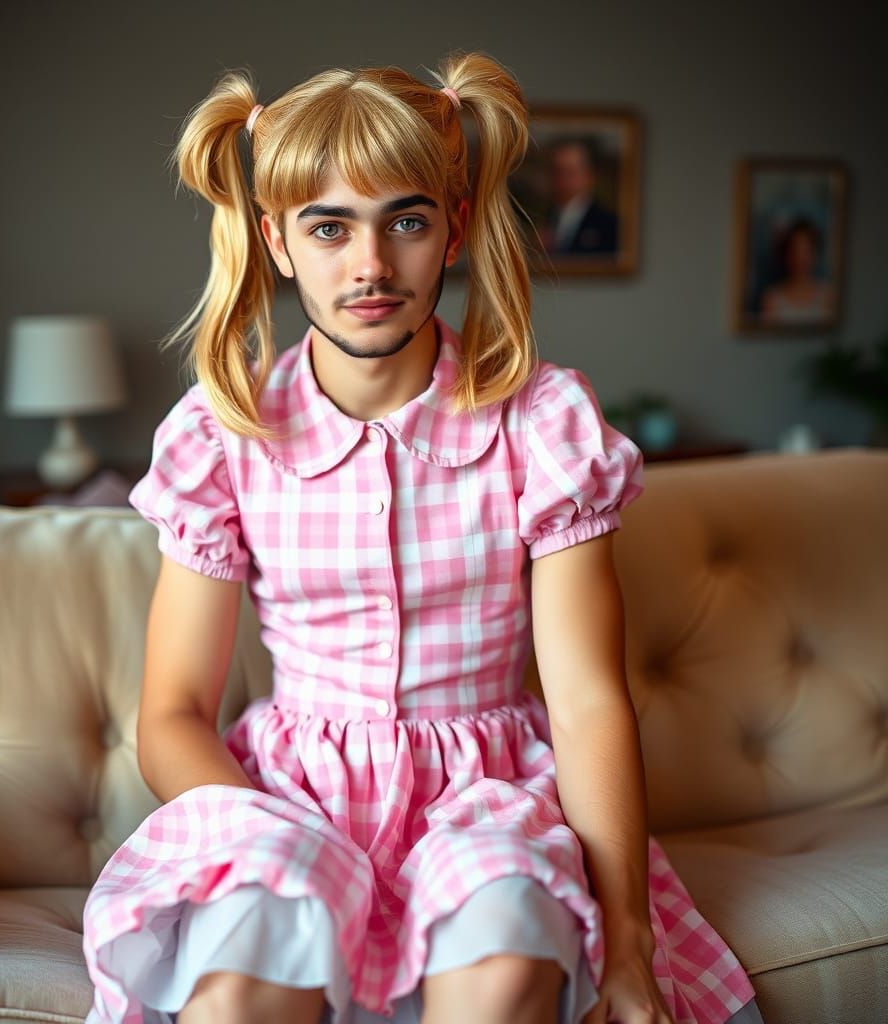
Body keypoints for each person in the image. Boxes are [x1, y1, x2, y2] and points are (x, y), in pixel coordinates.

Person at [81, 52, 765, 1024]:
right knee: (243, 986)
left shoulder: (541, 425)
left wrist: (628, 937)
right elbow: (173, 712)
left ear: (450, 229)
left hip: (487, 796)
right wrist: (265, 832)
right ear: (277, 242)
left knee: (503, 964)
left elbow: (584, 702)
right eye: (328, 227)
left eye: (404, 220)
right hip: (288, 796)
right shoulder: (222, 437)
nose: (368, 264)